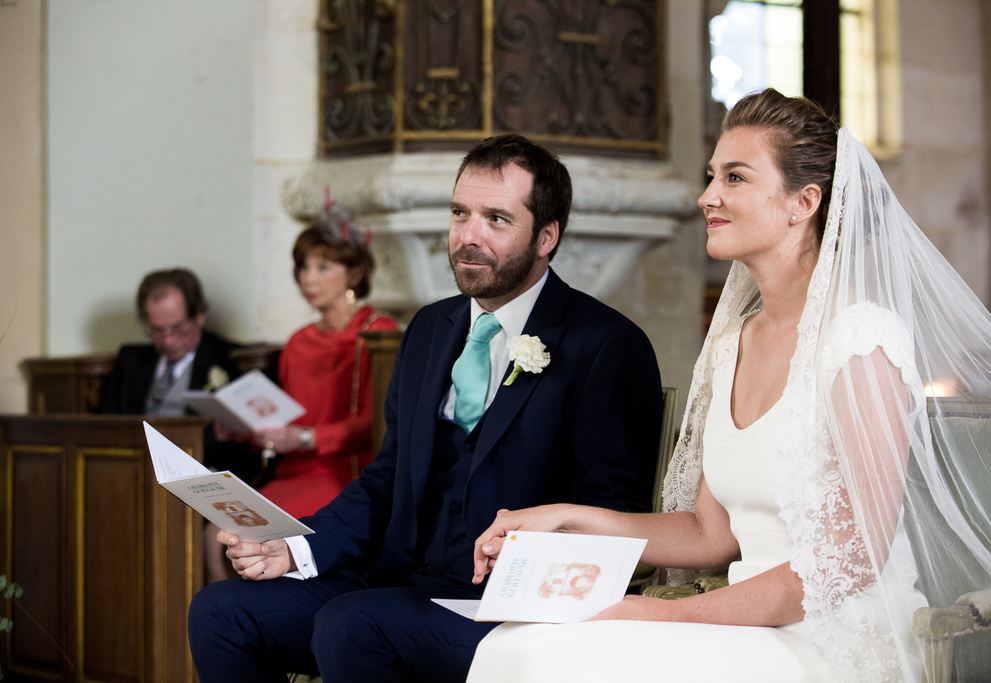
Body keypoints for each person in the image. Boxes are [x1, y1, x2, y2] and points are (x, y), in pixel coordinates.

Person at [469, 90, 991, 682]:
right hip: (746, 623)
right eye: (712, 177)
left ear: (803, 202)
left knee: (584, 658)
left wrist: (667, 618)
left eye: (734, 177)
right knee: (520, 645)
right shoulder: (733, 342)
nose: (708, 197)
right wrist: (565, 518)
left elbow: (843, 567)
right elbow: (711, 535)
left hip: (833, 638)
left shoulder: (861, 341)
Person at [187, 133, 664, 682]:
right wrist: (295, 549)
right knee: (222, 611)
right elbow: (388, 477)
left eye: (496, 219)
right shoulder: (429, 330)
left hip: (511, 609)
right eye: (460, 213)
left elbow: (613, 511)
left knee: (352, 624)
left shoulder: (605, 343)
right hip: (398, 578)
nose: (469, 236)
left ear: (546, 237)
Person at [245, 202, 398, 517]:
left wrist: (304, 438)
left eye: (323, 267)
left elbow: (378, 421)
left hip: (349, 474)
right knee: (214, 535)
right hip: (294, 471)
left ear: (354, 273)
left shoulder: (378, 332)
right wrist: (247, 430)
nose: (308, 279)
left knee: (253, 535)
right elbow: (286, 420)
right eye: (303, 267)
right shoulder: (298, 342)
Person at [101, 268, 260, 485]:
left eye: (177, 328)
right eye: (157, 330)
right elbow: (108, 429)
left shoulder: (230, 360)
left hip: (201, 478)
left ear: (199, 317)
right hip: (136, 475)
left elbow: (240, 453)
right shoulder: (130, 362)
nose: (168, 340)